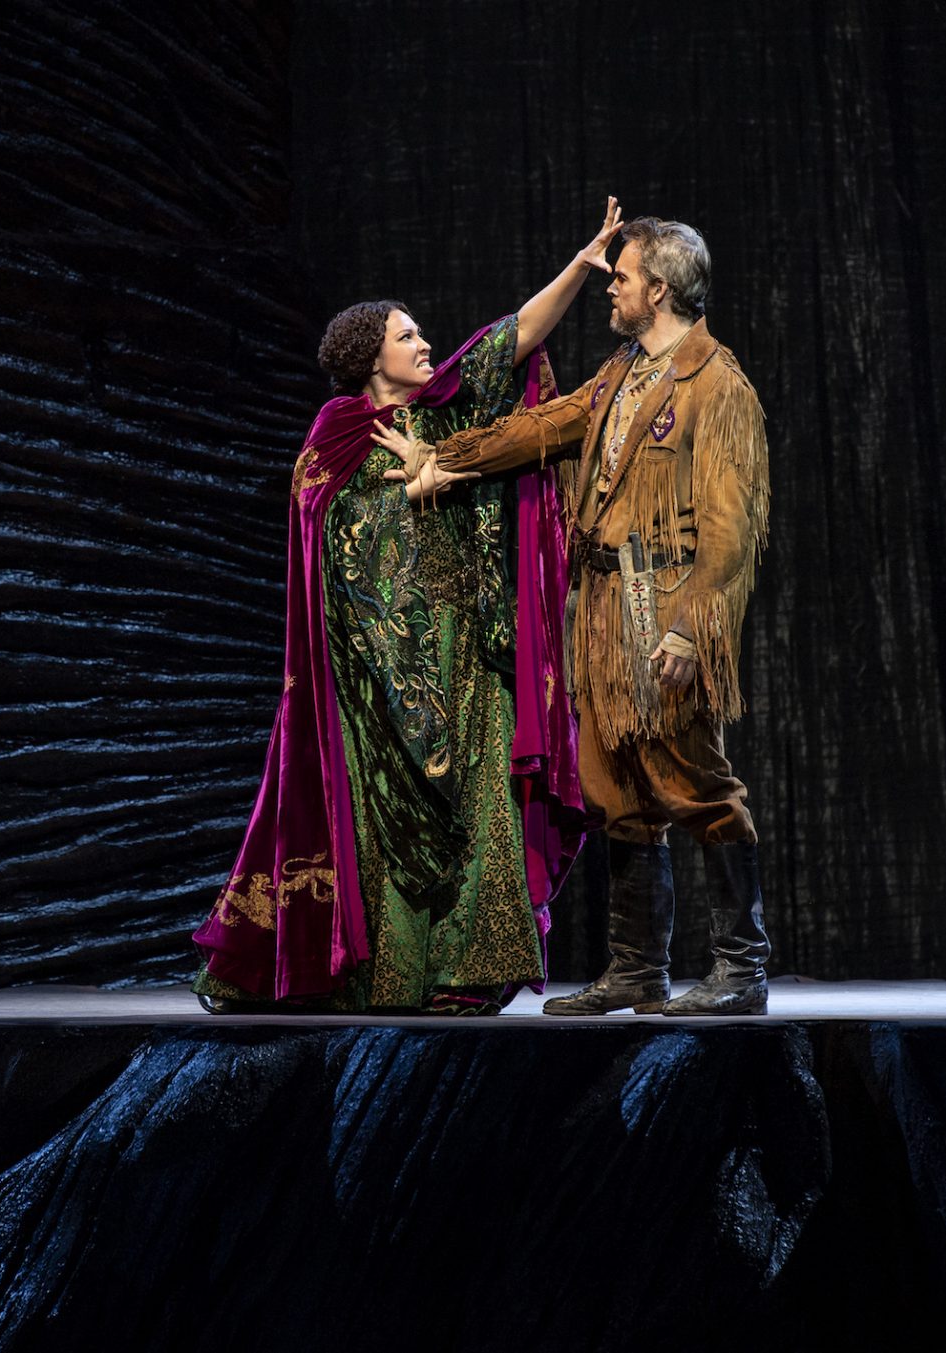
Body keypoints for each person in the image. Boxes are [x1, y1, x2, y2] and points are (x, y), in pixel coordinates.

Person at [189, 200, 622, 1014]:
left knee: (484, 806)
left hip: (469, 647)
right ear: (367, 357)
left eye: (423, 335)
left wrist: (579, 263)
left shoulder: (446, 410)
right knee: (385, 827)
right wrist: (374, 652)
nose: (425, 344)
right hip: (376, 670)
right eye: (407, 335)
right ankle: (389, 973)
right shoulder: (333, 440)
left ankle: (475, 971)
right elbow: (323, 562)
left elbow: (512, 339)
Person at [385, 217, 772, 1016]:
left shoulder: (717, 385)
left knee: (693, 781)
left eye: (623, 276)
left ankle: (743, 967)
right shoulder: (621, 374)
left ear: (659, 288)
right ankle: (638, 969)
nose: (614, 286)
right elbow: (541, 428)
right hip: (599, 608)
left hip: (661, 605)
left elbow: (731, 534)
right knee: (614, 788)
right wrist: (444, 459)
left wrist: (689, 627)